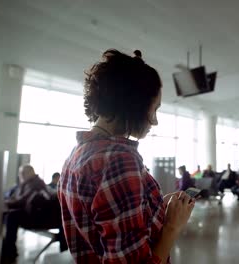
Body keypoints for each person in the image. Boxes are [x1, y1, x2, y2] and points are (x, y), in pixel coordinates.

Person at [58, 49, 195, 264]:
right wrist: (171, 226)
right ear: (136, 103)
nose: (155, 121)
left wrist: (155, 206)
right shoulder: (119, 160)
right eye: (154, 109)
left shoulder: (76, 156)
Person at [1, 165, 52, 263]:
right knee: (9, 215)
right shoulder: (31, 183)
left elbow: (22, 201)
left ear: (28, 172)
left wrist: (5, 203)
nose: (21, 176)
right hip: (35, 214)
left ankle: (9, 251)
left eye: (22, 173)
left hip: (37, 217)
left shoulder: (34, 183)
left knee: (11, 216)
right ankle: (9, 249)